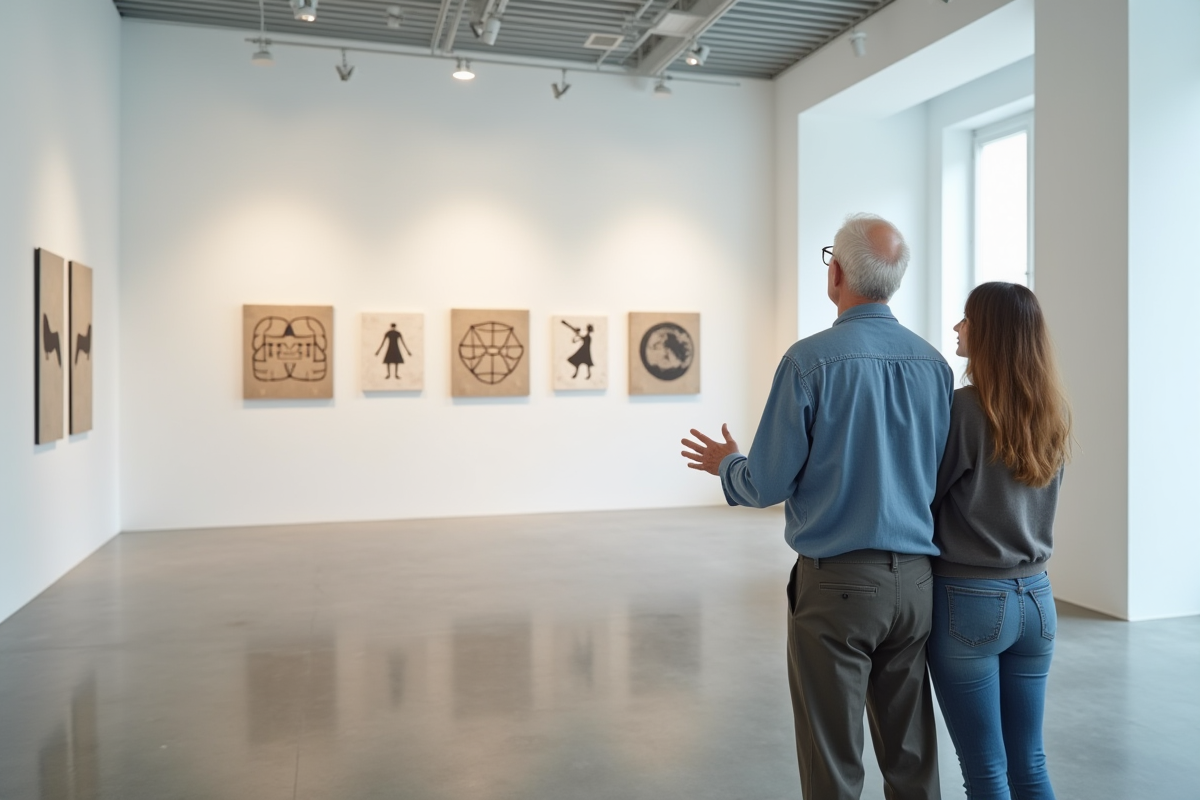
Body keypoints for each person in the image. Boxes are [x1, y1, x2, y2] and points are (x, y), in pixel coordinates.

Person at [682, 213, 953, 800]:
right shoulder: (934, 364)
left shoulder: (810, 362)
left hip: (839, 590)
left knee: (832, 760)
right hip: (917, 583)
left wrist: (728, 464)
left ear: (836, 273)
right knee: (912, 756)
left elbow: (765, 483)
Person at [927, 282, 1071, 800]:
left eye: (966, 320)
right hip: (1037, 601)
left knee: (986, 770)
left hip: (969, 603)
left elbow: (927, 498)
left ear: (988, 332)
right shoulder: (1051, 413)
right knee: (1029, 763)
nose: (957, 329)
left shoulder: (963, 409)